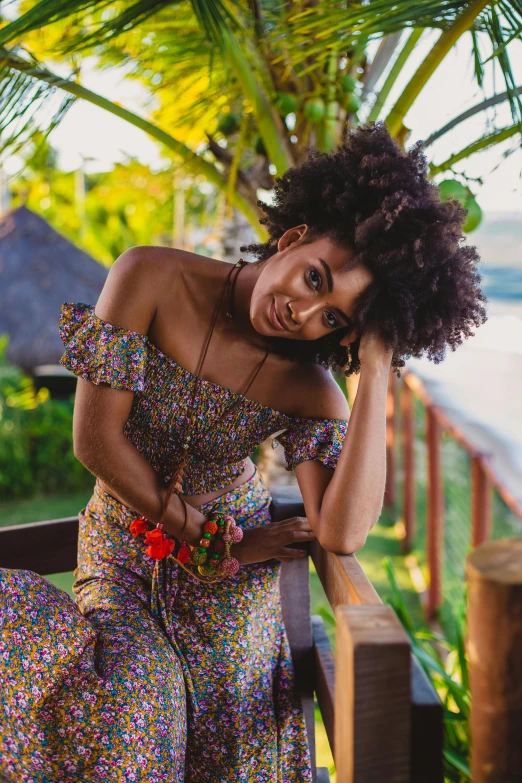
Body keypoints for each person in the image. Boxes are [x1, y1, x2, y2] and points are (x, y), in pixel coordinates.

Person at [0, 122, 486, 782]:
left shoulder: (309, 388)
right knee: (139, 708)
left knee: (235, 755)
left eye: (336, 319)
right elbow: (95, 440)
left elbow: (343, 529)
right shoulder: (149, 274)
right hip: (124, 562)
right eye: (314, 277)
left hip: (232, 598)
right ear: (291, 239)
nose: (306, 313)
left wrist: (375, 364)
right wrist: (204, 539)